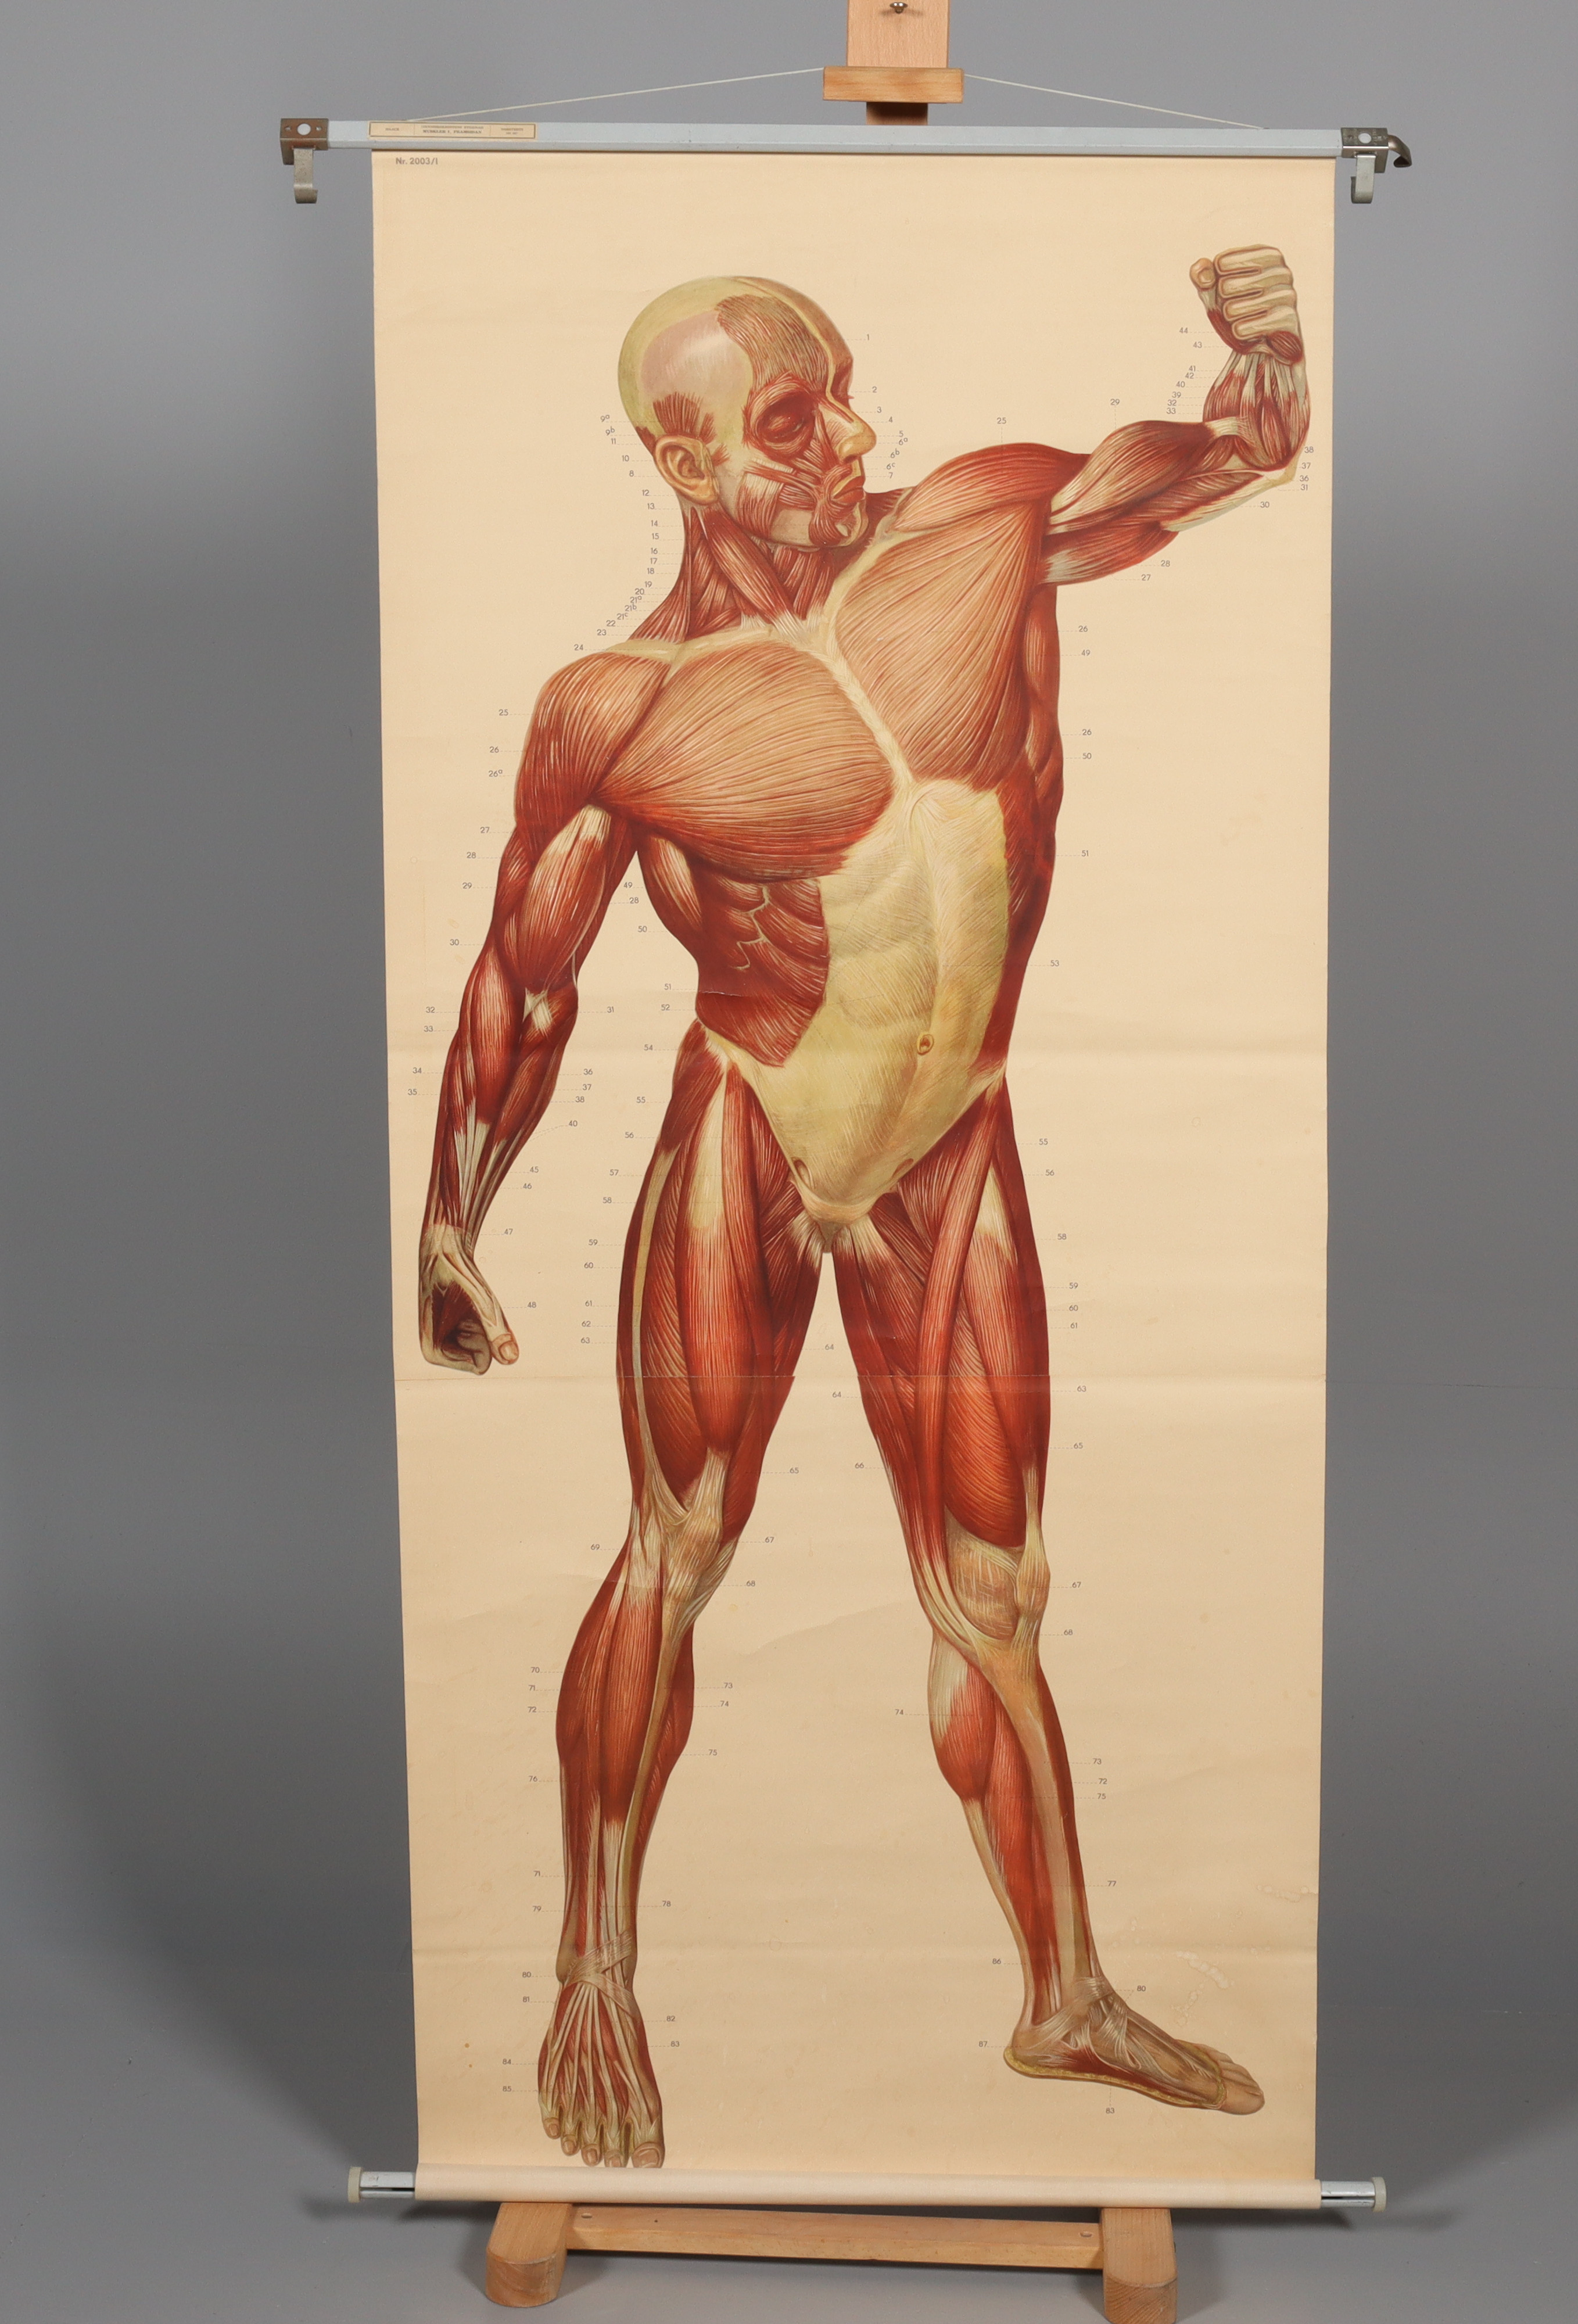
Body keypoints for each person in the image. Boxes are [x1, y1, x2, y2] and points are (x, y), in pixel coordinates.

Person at [418, 250, 1309, 2167]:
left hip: (950, 1143)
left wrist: (1271, 353)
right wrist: (450, 1218)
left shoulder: (980, 533)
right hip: (753, 1130)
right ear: (687, 462)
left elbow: (1235, 459)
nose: (853, 439)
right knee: (676, 1549)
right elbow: (525, 983)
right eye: (794, 422)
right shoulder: (622, 708)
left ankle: (1063, 2000)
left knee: (998, 1595)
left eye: (841, 393)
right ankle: (591, 1974)